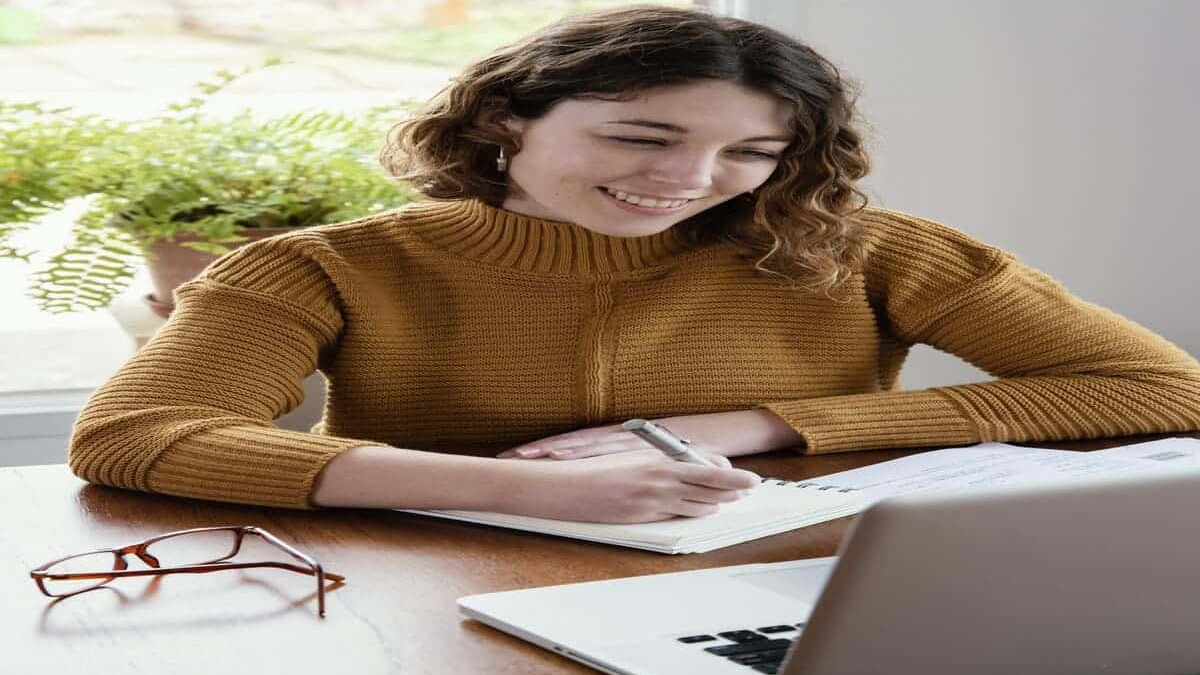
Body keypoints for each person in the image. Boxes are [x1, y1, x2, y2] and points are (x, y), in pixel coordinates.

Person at [69, 4, 1200, 524]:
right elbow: (136, 438)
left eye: (750, 152)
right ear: (509, 118)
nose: (693, 178)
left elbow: (1168, 392)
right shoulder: (325, 267)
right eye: (643, 137)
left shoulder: (869, 252)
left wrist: (760, 423)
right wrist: (527, 487)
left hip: (783, 580)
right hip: (443, 588)